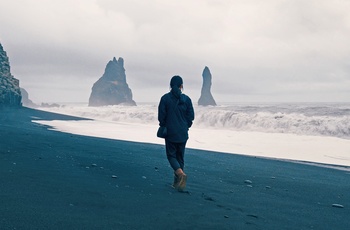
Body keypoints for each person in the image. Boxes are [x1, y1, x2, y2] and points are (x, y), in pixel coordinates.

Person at [158, 75, 195, 191]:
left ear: (170, 85)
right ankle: (177, 183)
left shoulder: (165, 98)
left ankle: (180, 175)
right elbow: (191, 117)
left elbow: (161, 116)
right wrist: (186, 126)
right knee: (180, 157)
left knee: (171, 156)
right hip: (183, 133)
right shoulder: (187, 99)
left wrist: (164, 125)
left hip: (171, 132)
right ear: (181, 86)